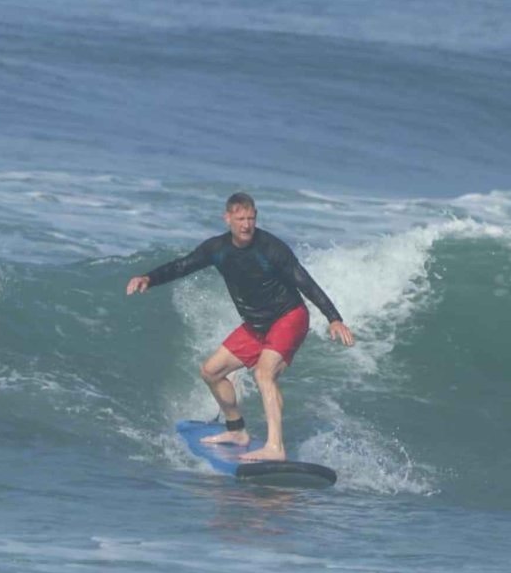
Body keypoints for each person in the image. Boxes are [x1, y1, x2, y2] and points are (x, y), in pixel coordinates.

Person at [125, 193, 354, 462]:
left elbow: (304, 281)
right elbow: (183, 265)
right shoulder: (217, 249)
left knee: (263, 374)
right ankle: (237, 431)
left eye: (251, 219)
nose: (246, 225)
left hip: (288, 316)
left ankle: (275, 448)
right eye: (241, 219)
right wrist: (148, 278)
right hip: (256, 324)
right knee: (211, 372)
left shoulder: (271, 247)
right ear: (228, 218)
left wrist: (333, 317)